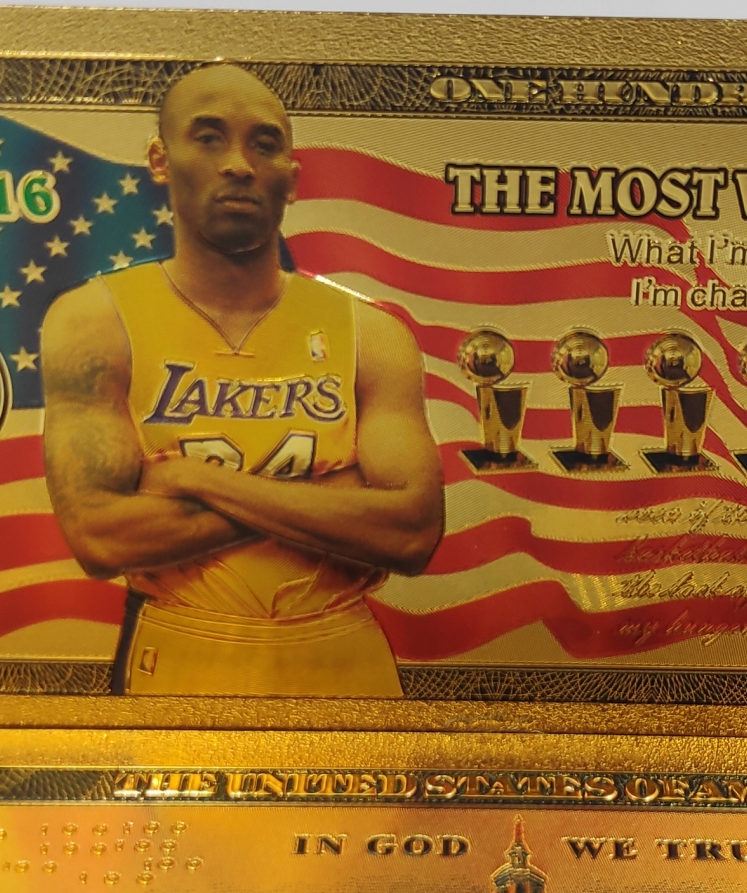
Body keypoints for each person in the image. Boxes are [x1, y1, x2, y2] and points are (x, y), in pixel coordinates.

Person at [40, 63, 444, 696]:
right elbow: (100, 538)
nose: (237, 164)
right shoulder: (94, 321)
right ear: (160, 160)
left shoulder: (370, 332)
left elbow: (412, 533)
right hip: (181, 645)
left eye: (264, 144)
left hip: (343, 652)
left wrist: (198, 480)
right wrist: (333, 496)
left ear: (292, 177)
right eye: (208, 138)